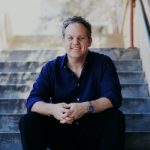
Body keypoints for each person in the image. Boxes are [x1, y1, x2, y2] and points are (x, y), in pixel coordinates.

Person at [19, 16, 125, 150]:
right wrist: (53, 109)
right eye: (70, 38)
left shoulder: (103, 63)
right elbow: (33, 101)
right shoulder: (51, 68)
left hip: (93, 131)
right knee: (29, 121)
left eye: (81, 38)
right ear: (63, 41)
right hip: (61, 131)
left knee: (115, 117)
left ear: (89, 41)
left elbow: (113, 97)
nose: (75, 42)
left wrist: (85, 107)